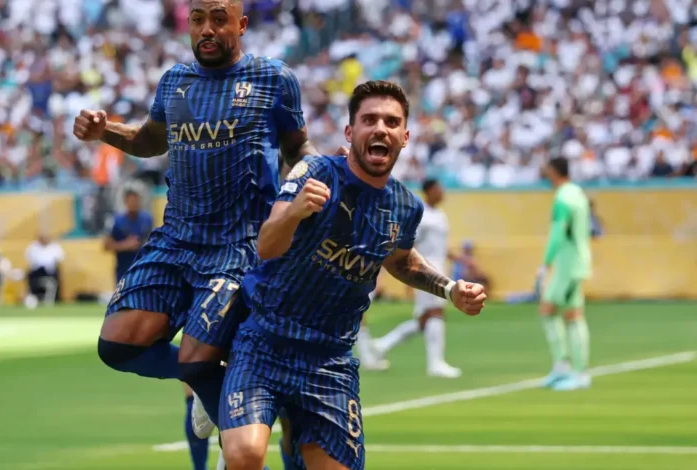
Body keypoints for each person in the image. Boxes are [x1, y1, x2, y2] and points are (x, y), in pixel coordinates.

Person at [73, 0, 340, 466]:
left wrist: (320, 175)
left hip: (238, 246)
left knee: (197, 360)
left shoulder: (273, 78)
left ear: (241, 24)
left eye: (219, 18)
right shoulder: (174, 81)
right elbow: (150, 139)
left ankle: (235, 429)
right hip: (175, 240)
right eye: (198, 19)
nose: (207, 29)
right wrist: (105, 132)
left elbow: (297, 147)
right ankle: (211, 384)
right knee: (116, 346)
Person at [217, 81, 487, 470]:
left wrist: (449, 289)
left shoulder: (405, 207)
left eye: (391, 122)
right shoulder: (315, 171)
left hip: (329, 360)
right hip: (266, 342)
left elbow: (402, 261)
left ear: (405, 137)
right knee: (245, 456)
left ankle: (291, 437)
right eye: (369, 119)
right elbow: (266, 246)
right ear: (349, 131)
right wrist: (295, 212)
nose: (380, 128)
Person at [370, 179, 468, 378]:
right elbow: (410, 245)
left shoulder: (440, 215)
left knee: (425, 319)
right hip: (427, 269)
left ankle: (382, 344)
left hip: (440, 267)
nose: (442, 192)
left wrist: (459, 258)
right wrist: (411, 275)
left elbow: (439, 246)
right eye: (439, 188)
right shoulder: (422, 215)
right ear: (429, 191)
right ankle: (436, 363)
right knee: (435, 313)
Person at [537, 157, 593, 391]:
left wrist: (546, 262)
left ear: (553, 171)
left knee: (562, 313)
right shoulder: (578, 194)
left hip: (569, 264)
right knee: (560, 311)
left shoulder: (562, 198)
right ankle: (565, 366)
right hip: (575, 261)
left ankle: (577, 372)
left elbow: (558, 233)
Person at [103, 188, 153, 283]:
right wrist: (125, 245)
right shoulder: (117, 221)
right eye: (131, 200)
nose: (134, 203)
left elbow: (153, 241)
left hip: (143, 270)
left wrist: (143, 245)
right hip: (124, 271)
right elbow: (106, 245)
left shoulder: (147, 219)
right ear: (125, 202)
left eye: (136, 200)